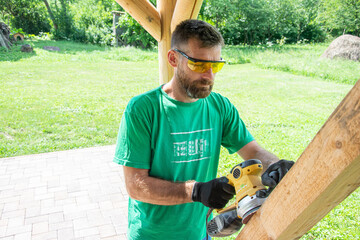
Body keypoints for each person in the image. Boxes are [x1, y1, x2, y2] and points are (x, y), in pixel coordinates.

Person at [113, 19, 294, 240]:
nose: (209, 76)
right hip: (152, 235)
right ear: (173, 58)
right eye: (199, 65)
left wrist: (276, 165)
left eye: (215, 65)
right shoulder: (143, 109)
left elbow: (253, 152)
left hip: (200, 233)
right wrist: (196, 191)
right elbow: (135, 186)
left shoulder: (220, 107)